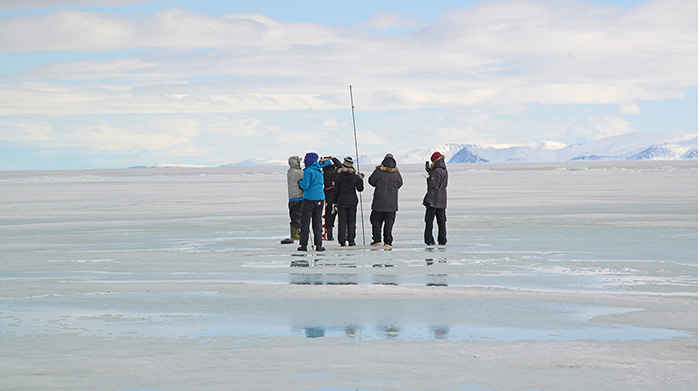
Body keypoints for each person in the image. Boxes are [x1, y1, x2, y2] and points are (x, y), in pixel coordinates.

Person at [368, 153, 403, 247]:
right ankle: (387, 242)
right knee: (389, 223)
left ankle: (377, 240)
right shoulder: (396, 173)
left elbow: (371, 181)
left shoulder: (378, 172)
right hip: (391, 204)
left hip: (378, 203)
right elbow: (400, 184)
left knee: (375, 221)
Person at [329, 157, 364, 246]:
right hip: (352, 201)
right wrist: (360, 179)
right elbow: (360, 189)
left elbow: (335, 190)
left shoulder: (339, 176)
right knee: (351, 221)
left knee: (342, 221)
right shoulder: (355, 177)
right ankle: (351, 240)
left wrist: (334, 202)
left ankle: (342, 241)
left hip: (341, 201)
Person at [298, 152, 326, 252]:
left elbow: (305, 185)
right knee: (317, 222)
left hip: (309, 199)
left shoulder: (308, 171)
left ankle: (303, 245)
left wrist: (299, 183)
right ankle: (319, 245)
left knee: (305, 223)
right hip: (320, 199)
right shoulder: (319, 170)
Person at [423, 152, 448, 245]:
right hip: (442, 200)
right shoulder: (444, 170)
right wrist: (430, 172)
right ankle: (442, 240)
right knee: (441, 222)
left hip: (433, 201)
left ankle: (429, 240)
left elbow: (433, 186)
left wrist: (427, 199)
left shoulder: (437, 171)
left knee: (429, 221)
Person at [281, 155, 303, 244]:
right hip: (298, 197)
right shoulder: (298, 173)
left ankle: (295, 232)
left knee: (294, 215)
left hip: (292, 198)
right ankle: (295, 234)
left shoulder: (290, 171)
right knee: (297, 216)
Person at [320, 156, 343, 240]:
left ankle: (329, 234)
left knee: (329, 216)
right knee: (343, 217)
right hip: (339, 197)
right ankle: (345, 235)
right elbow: (341, 166)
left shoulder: (323, 174)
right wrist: (333, 158)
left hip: (329, 199)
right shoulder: (337, 171)